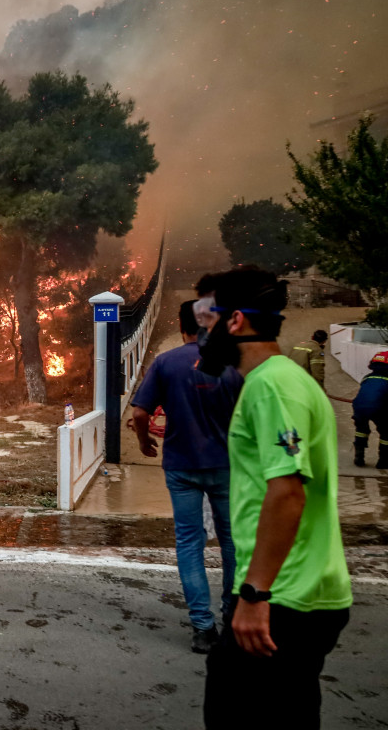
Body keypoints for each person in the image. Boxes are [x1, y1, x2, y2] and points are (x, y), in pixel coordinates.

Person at [201, 268, 351, 730]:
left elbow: (287, 493)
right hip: (304, 592)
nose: (203, 328)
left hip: (285, 596)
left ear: (235, 321)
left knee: (235, 712)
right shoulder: (290, 379)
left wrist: (254, 593)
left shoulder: (270, 386)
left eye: (208, 317)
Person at [131, 300, 242, 652]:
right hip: (226, 467)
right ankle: (234, 619)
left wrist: (144, 439)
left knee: (190, 544)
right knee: (231, 542)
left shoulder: (166, 362)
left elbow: (139, 412)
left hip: (182, 467)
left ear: (182, 328)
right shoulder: (232, 364)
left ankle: (202, 628)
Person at [352, 350, 388, 469]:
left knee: (361, 430)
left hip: (359, 407)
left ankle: (359, 457)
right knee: (386, 432)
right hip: (378, 408)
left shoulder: (367, 377)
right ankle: (383, 461)